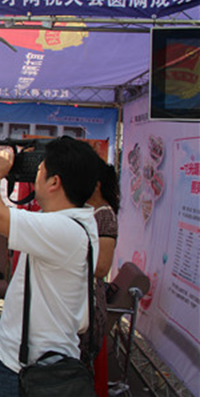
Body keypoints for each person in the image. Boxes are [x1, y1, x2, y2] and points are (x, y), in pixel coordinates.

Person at [0, 136, 100, 397]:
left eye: (39, 170)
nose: (34, 176)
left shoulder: (63, 230)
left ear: (54, 182)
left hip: (32, 368)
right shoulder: (75, 222)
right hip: (41, 359)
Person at [82, 160, 120, 396]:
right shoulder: (91, 212)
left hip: (90, 299)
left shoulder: (104, 215)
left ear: (96, 185)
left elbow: (101, 267)